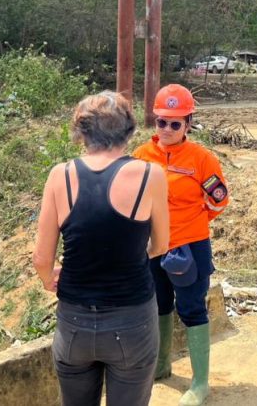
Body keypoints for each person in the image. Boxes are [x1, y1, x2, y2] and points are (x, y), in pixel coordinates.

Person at [33, 91, 170, 406]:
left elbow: (42, 258)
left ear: (81, 132)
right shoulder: (150, 175)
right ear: (129, 131)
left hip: (74, 325)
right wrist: (132, 257)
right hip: (132, 321)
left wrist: (48, 278)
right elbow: (161, 244)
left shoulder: (60, 175)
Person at [133, 84, 230, 406]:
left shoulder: (202, 159)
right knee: (158, 305)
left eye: (175, 123)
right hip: (152, 248)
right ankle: (161, 365)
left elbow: (218, 201)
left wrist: (191, 224)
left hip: (190, 248)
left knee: (191, 307)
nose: (167, 129)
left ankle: (199, 383)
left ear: (188, 124)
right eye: (162, 122)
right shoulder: (141, 157)